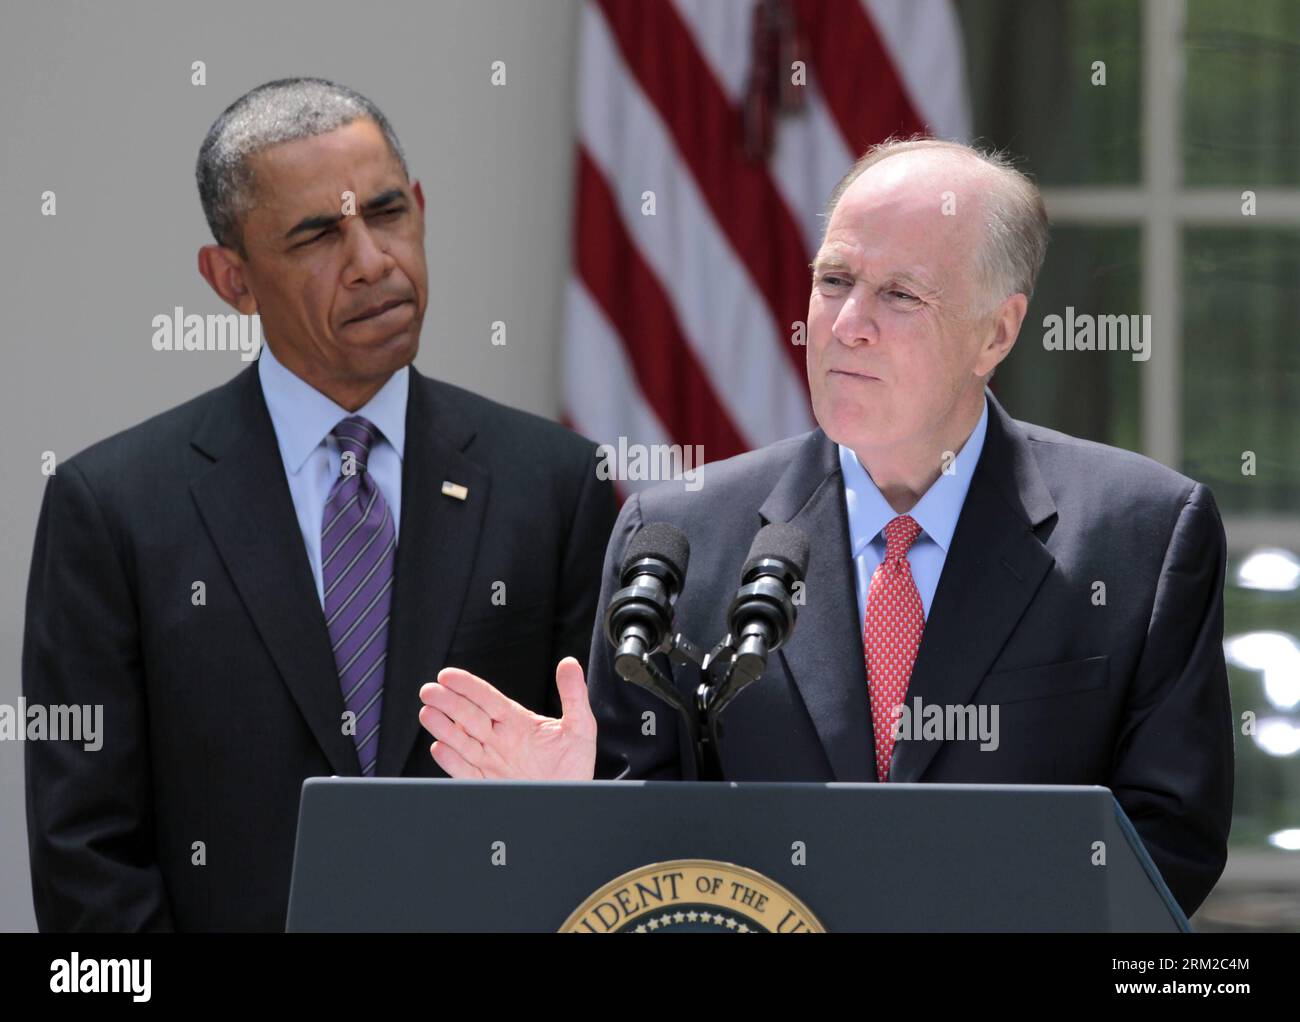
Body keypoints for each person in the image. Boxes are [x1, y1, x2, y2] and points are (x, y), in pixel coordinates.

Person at [417, 138, 1235, 918]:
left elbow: (1165, 848)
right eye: (835, 279)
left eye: (900, 295)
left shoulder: (1141, 536)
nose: (846, 324)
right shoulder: (674, 534)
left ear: (999, 331)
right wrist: (572, 811)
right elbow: (648, 857)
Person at [23, 77, 617, 931]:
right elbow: (87, 852)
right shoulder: (113, 509)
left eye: (386, 214)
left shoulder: (555, 485)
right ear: (232, 279)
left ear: (419, 206)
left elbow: (611, 802)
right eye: (317, 236)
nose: (372, 260)